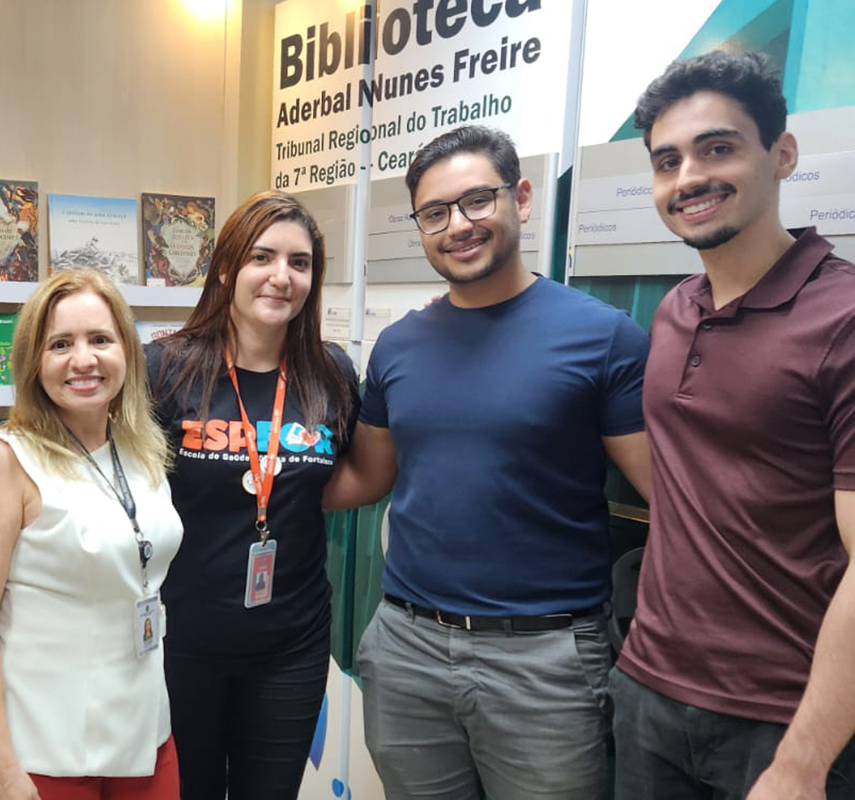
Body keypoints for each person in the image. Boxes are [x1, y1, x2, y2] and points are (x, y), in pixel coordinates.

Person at [324, 124, 652, 800]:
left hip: (545, 661)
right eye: (436, 213)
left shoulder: (603, 337)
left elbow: (670, 496)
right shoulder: (399, 344)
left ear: (521, 197)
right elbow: (371, 475)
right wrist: (242, 484)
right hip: (407, 646)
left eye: (477, 201)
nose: (458, 225)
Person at [612, 50, 855, 800]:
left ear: (781, 155)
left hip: (782, 722)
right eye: (667, 160)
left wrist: (803, 763)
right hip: (647, 691)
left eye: (718, 148)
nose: (689, 178)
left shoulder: (843, 319)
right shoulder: (677, 310)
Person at [145, 190, 359, 800]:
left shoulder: (332, 375)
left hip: (290, 644)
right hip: (180, 641)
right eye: (262, 257)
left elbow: (352, 477)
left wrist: (281, 497)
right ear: (226, 268)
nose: (281, 277)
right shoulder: (165, 368)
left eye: (299, 262)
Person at [0, 269, 183, 800]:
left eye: (100, 339)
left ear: (126, 349)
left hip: (144, 734)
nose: (84, 360)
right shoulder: (3, 460)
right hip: (38, 751)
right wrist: (2, 771)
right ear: (34, 361)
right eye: (61, 344)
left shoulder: (141, 451)